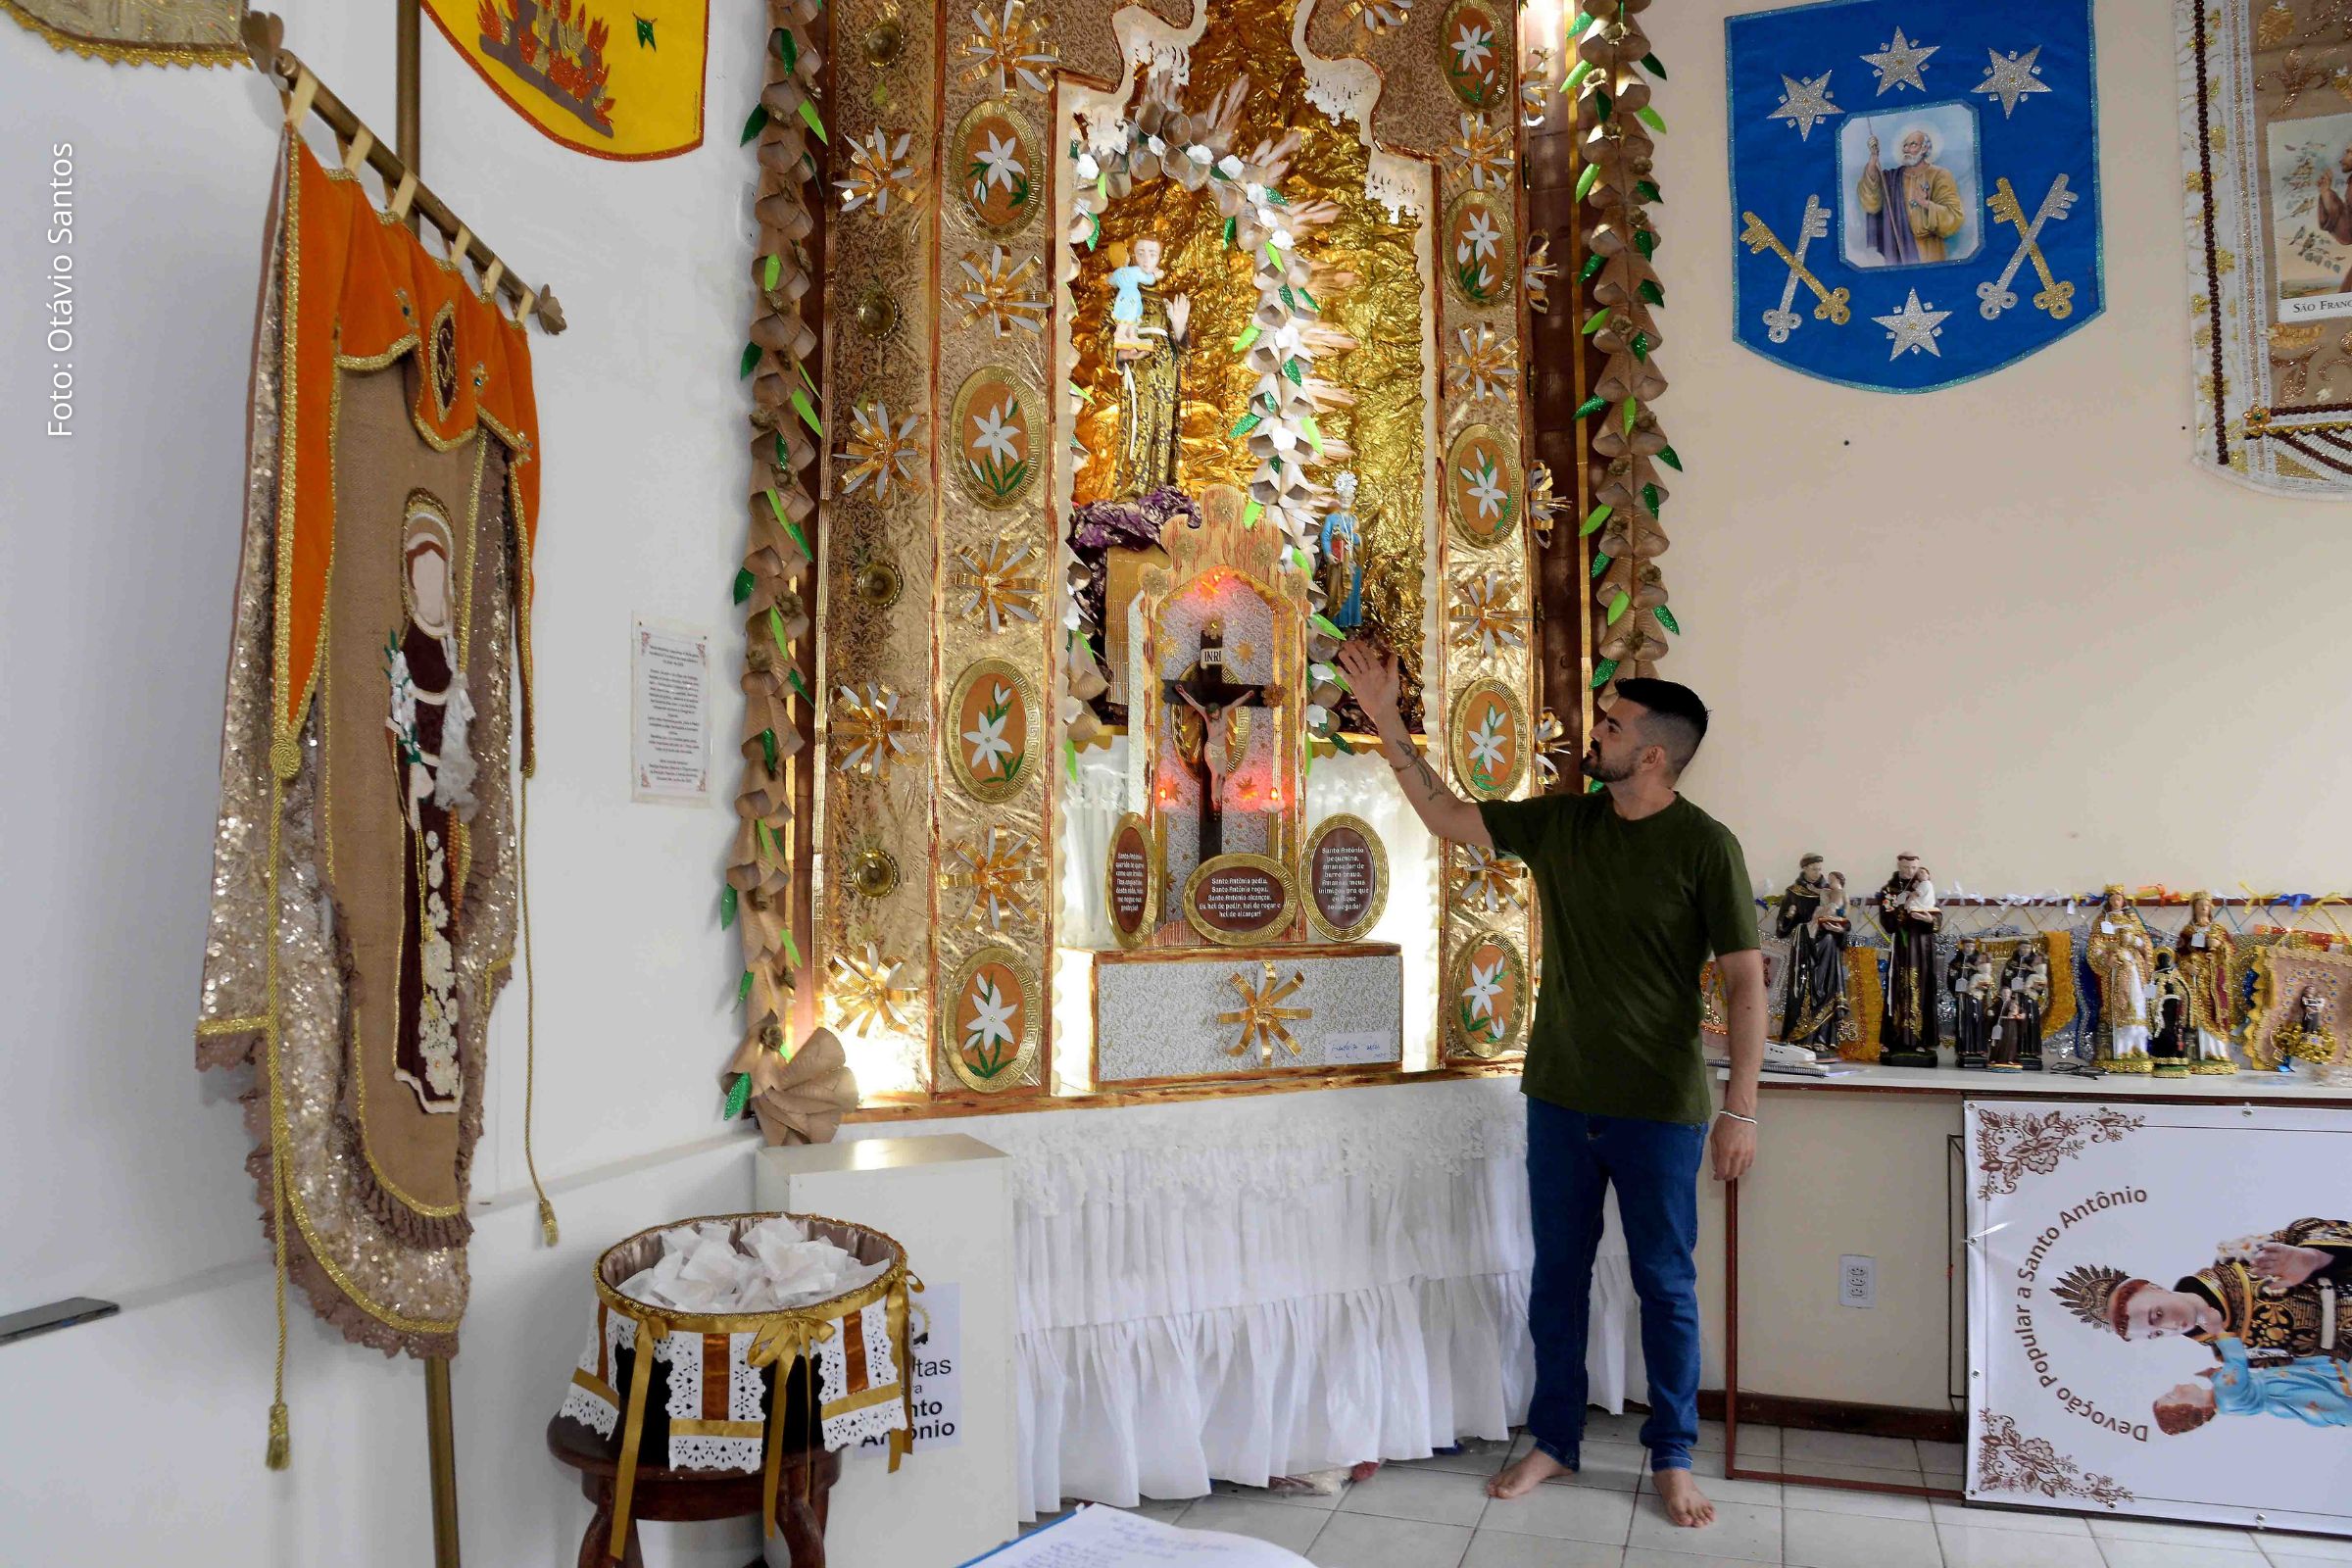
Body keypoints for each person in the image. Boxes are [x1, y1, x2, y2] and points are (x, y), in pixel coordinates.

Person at [1338, 641, 1764, 1531]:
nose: (1593, 732)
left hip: (1661, 1110)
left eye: (1611, 725)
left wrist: (1740, 1111)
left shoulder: (1705, 848)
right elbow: (1449, 817)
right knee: (1557, 1278)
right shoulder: (1566, 824)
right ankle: (1556, 1441)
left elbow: (1744, 984)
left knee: (1665, 1286)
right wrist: (1382, 717)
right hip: (1561, 1097)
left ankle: (1674, 1457)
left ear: (1654, 754)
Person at [2055, 1218, 2352, 1365]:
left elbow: (2308, 1230)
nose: (2172, 1327)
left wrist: (2314, 1257)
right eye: (2157, 1334)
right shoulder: (2229, 1353)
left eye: (2157, 1315)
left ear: (2156, 1288)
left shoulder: (2240, 1258)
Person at [2154, 1336, 2352, 1434]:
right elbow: (2236, 1362)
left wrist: (2215, 1375)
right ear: (2191, 1408)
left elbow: (2236, 1383)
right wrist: (2221, 1334)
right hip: (2284, 1388)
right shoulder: (2226, 1393)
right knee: (2328, 1393)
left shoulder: (2224, 1401)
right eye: (2173, 1395)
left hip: (2279, 1388)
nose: (2177, 1387)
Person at [1774, 856, 1849, 1056]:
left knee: (1825, 988)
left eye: (1819, 869)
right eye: (1813, 869)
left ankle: (1822, 1039)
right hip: (1804, 946)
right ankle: (1800, 1037)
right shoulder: (1793, 892)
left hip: (1827, 945)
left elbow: (1844, 918)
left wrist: (1840, 929)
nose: (1818, 873)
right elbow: (1781, 929)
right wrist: (1789, 916)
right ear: (1805, 869)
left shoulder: (1831, 891)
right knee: (1802, 989)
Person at [1857, 125, 1964, 265]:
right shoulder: (1893, 178)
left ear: (1924, 148)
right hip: (1897, 250)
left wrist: (1926, 204)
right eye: (1905, 146)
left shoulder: (1940, 175)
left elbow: (1954, 217)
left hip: (1930, 251)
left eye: (1913, 144)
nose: (1906, 149)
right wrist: (1873, 161)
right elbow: (1872, 201)